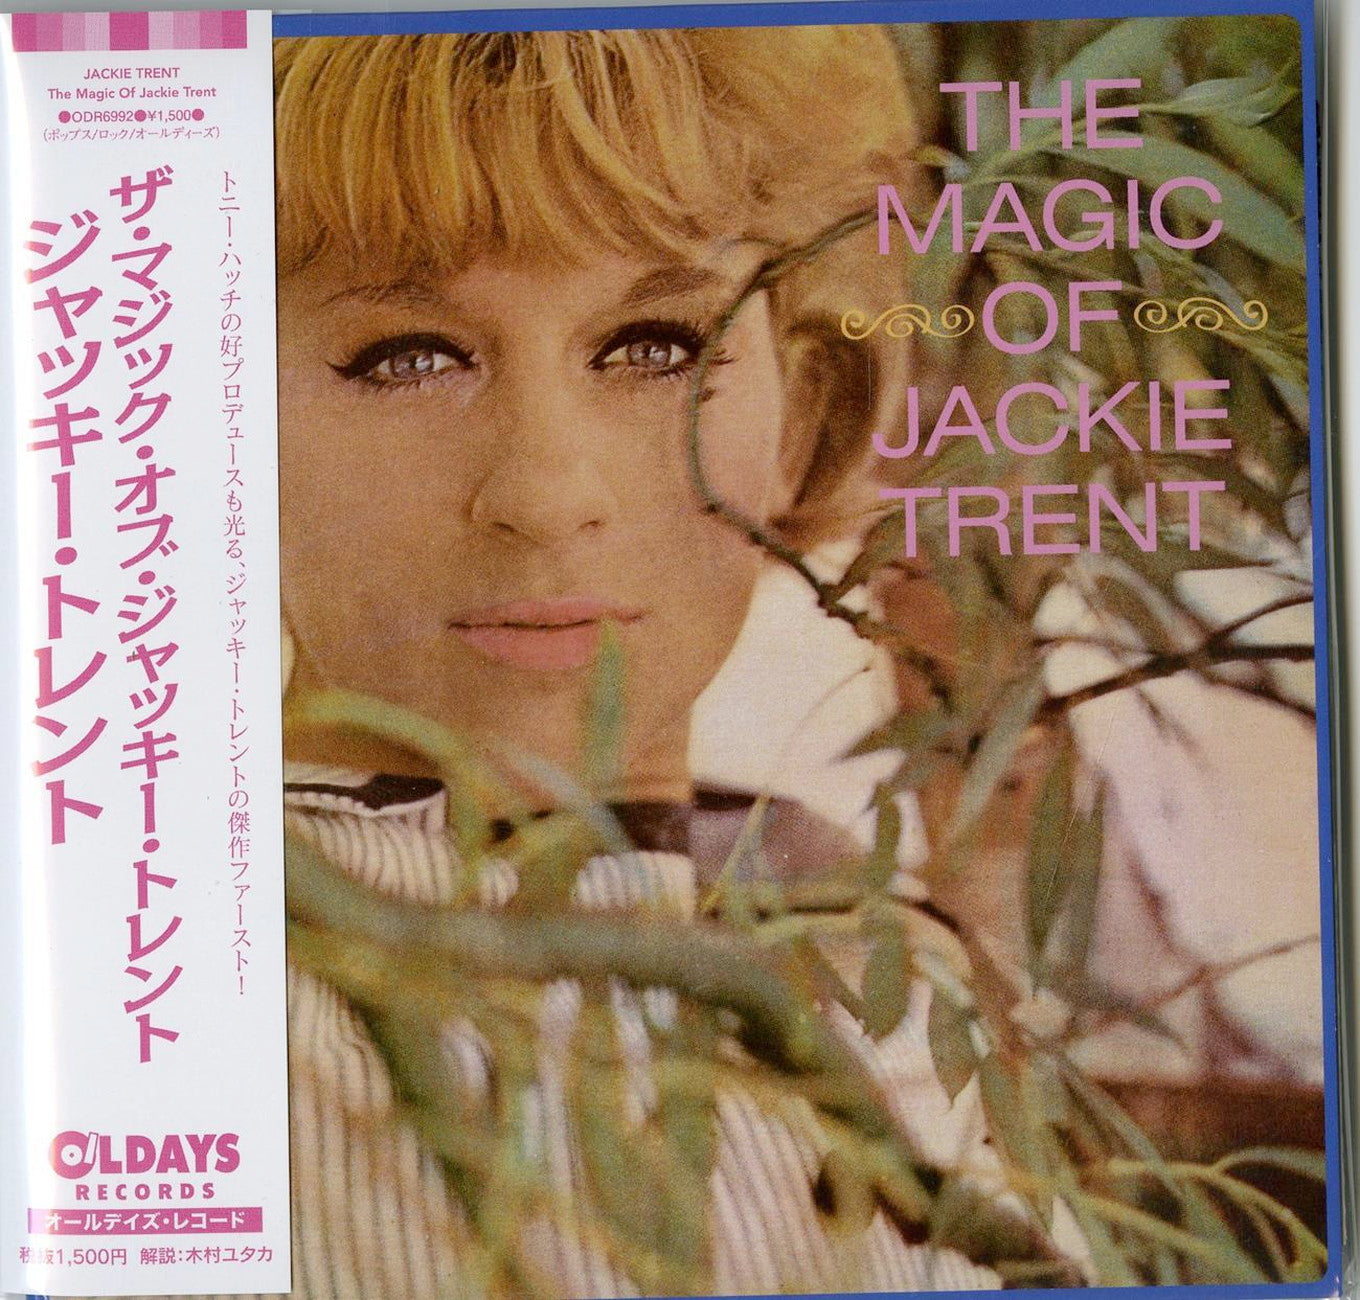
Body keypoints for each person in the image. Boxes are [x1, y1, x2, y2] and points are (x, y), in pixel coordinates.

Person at [259, 26, 1064, 1300]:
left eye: (653, 346)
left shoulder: (887, 979)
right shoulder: (180, 1022)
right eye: (409, 356)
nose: (546, 492)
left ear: (802, 412)